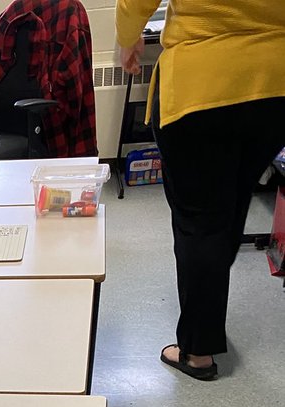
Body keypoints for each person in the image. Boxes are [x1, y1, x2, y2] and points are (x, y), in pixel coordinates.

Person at [116, 1, 285, 381]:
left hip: (202, 81)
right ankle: (206, 313)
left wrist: (128, 40)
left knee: (200, 220)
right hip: (275, 82)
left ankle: (198, 351)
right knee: (233, 201)